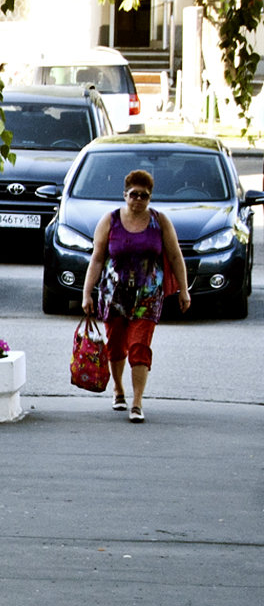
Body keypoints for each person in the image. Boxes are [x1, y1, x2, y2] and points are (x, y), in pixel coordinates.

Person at [81, 169, 191, 423]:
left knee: (140, 347)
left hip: (148, 297)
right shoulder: (110, 221)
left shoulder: (159, 221)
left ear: (150, 198)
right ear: (125, 195)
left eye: (144, 196)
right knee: (116, 345)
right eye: (134, 195)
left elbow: (175, 256)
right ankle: (118, 389)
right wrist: (87, 293)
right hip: (113, 295)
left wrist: (184, 290)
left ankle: (137, 402)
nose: (138, 200)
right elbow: (97, 259)